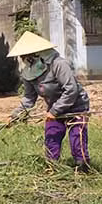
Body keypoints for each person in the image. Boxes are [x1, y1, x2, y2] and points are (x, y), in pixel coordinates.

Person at [7, 31, 92, 173]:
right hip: (54, 108)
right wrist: (15, 115)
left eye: (25, 56)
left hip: (76, 106)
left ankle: (82, 167)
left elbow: (71, 90)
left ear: (36, 54)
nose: (23, 59)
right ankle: (52, 167)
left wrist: (54, 111)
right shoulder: (28, 72)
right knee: (52, 135)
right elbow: (29, 98)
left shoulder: (58, 64)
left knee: (77, 137)